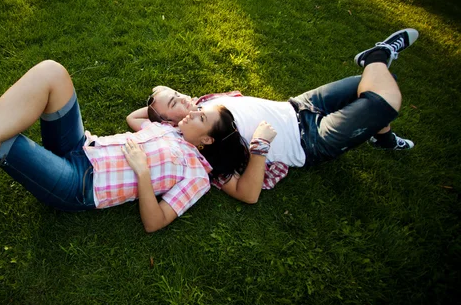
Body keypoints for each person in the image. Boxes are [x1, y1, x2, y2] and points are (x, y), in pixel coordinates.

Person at [0, 60, 274, 233]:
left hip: (80, 185)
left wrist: (144, 174)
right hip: (83, 147)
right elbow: (140, 116)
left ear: (206, 140)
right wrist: (177, 106)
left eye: (200, 117)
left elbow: (155, 222)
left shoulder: (197, 177)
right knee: (52, 72)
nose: (192, 111)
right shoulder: (170, 129)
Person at [127, 29, 419, 200]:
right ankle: (378, 55)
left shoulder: (203, 103)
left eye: (177, 93)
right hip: (312, 140)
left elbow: (149, 112)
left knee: (366, 84)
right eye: (174, 103)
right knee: (382, 100)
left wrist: (168, 102)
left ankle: (383, 137)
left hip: (299, 106)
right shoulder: (208, 154)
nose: (182, 98)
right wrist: (259, 149)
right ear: (168, 123)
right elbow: (247, 194)